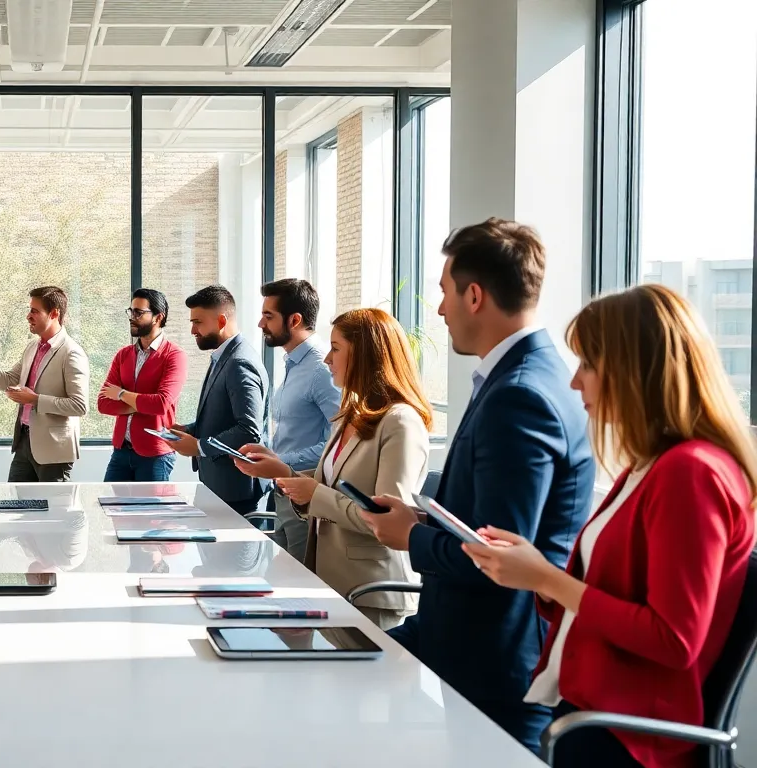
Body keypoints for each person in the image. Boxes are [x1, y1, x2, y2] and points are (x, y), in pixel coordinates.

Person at [465, 284, 757, 768]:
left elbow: (672, 639)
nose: (575, 382)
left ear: (634, 372)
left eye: (588, 365)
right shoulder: (650, 465)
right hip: (595, 712)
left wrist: (545, 578)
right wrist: (535, 572)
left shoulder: (691, 472)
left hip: (625, 738)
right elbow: (616, 590)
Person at [361, 218, 595, 752]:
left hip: (496, 660)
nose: (439, 310)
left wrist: (410, 538)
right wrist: (423, 520)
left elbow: (499, 557)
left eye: (443, 293)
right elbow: (488, 521)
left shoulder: (520, 394)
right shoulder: (523, 376)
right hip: (468, 640)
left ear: (474, 295)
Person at [238, 308, 430, 629]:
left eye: (336, 348)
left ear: (367, 355)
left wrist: (314, 495)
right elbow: (328, 486)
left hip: (368, 594)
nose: (327, 359)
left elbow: (386, 522)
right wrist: (282, 472)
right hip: (331, 585)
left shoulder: (400, 422)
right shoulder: (352, 415)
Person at [254, 278, 340, 565]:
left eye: (268, 316)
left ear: (294, 320)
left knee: (301, 586)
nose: (260, 324)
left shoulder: (321, 369)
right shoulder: (291, 363)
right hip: (283, 492)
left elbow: (337, 442)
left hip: (305, 494)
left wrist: (283, 462)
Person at [0, 286, 89, 482]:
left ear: (55, 313)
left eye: (34, 311)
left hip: (53, 451)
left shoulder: (72, 353)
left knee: (53, 510)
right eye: (29, 310)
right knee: (15, 503)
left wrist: (35, 400)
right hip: (24, 443)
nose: (28, 316)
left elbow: (79, 406)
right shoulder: (32, 347)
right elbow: (8, 380)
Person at [163, 285, 269, 515]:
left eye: (198, 322)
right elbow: (224, 419)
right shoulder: (223, 357)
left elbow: (249, 429)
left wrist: (200, 446)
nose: (192, 330)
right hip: (217, 486)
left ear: (221, 321)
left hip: (234, 490)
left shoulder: (240, 363)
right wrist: (191, 431)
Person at [97, 288, 187, 482]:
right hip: (121, 451)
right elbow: (103, 403)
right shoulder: (123, 355)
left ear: (157, 317)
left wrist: (121, 394)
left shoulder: (174, 356)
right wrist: (141, 404)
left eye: (139, 312)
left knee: (150, 513)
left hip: (155, 454)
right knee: (110, 509)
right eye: (131, 311)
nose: (132, 317)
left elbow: (161, 404)